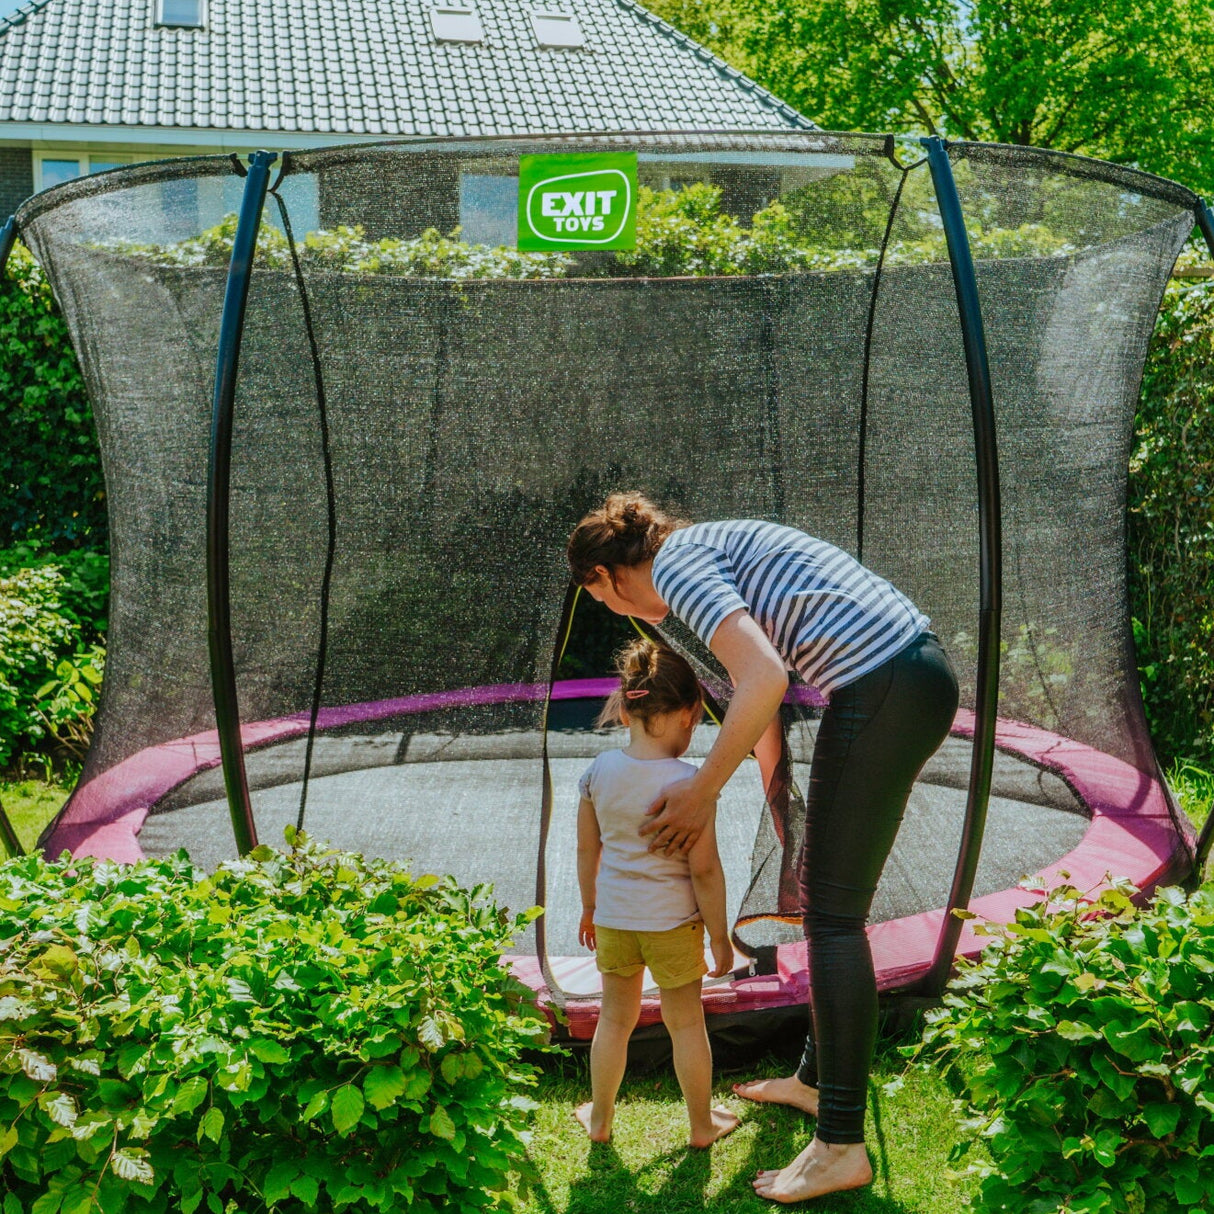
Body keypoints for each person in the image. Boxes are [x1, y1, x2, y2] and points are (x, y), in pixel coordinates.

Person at [567, 493, 959, 1202]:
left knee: (834, 918)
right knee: (826, 901)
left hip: (885, 684)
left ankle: (840, 1145)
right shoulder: (698, 556)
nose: (610, 609)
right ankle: (815, 1083)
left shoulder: (678, 565)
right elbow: (766, 696)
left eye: (597, 597)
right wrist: (783, 807)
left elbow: (767, 677)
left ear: (604, 575)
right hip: (901, 677)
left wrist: (703, 789)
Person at [574, 637, 739, 1149]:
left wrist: (589, 907)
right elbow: (705, 871)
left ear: (627, 711)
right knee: (686, 1024)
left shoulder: (598, 771)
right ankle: (701, 1126)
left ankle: (600, 1120)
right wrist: (719, 937)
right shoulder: (692, 784)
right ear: (688, 714)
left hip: (615, 921)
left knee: (614, 1019)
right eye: (694, 720)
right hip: (671, 924)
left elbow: (587, 852)